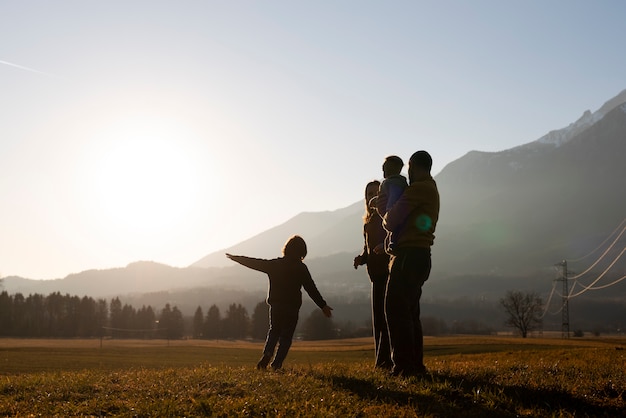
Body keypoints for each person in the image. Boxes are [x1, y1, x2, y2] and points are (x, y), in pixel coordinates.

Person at [226, 235, 333, 370]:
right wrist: (323, 305)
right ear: (302, 252)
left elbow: (255, 263)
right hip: (292, 307)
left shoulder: (274, 265)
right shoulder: (301, 268)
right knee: (286, 337)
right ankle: (276, 364)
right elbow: (311, 289)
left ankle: (267, 353)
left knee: (274, 331)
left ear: (286, 249)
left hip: (276, 305)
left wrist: (237, 258)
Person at [383, 150, 440, 377]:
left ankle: (404, 367)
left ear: (413, 167)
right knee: (410, 313)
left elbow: (391, 219)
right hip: (420, 256)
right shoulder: (431, 189)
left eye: (409, 168)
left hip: (409, 255)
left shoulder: (419, 189)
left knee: (395, 309)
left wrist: (384, 207)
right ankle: (415, 365)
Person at [353, 180, 393, 370]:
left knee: (384, 320)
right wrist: (361, 259)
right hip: (374, 275)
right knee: (378, 320)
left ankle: (384, 362)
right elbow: (367, 248)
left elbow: (392, 241)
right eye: (369, 194)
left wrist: (383, 248)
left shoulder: (387, 218)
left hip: (386, 273)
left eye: (376, 193)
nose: (372, 197)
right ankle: (382, 361)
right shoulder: (368, 221)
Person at [375, 155, 408, 253]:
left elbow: (394, 197)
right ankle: (390, 244)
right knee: (392, 232)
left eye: (385, 167)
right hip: (390, 217)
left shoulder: (394, 183)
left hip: (392, 217)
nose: (383, 170)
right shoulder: (392, 182)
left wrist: (390, 212)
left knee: (395, 230)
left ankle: (393, 244)